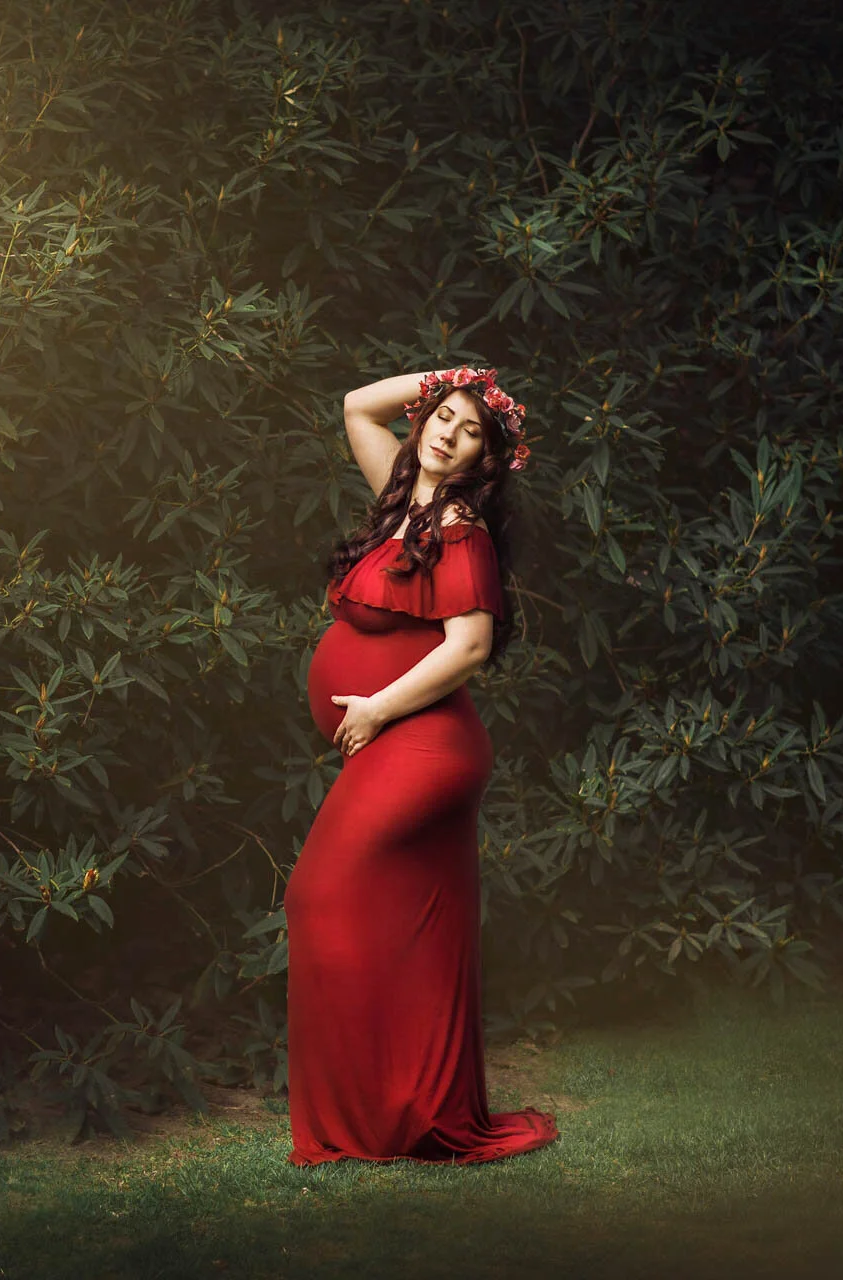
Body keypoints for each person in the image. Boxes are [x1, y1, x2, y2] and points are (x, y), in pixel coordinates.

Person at [284, 365, 559, 1167]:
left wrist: (373, 709)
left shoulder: (462, 529)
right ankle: (397, 1110)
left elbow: (469, 647)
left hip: (426, 744)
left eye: (471, 430)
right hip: (403, 739)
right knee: (402, 928)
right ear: (423, 422)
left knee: (319, 894)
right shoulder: (402, 502)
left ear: (484, 460)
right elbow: (353, 404)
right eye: (442, 416)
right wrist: (454, 373)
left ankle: (367, 1117)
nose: (448, 432)